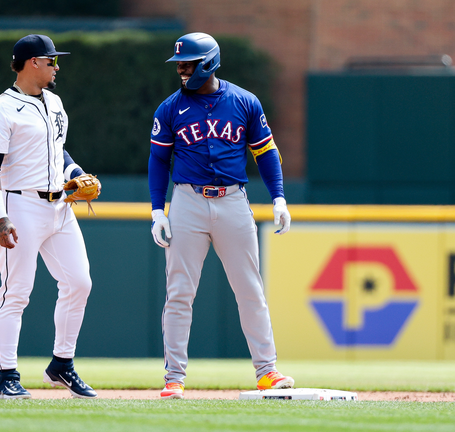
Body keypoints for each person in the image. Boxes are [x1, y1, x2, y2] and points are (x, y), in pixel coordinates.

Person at [148, 32, 294, 399]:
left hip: (233, 201)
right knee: (179, 293)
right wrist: (157, 209)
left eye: (188, 64)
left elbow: (266, 152)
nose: (181, 70)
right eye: (179, 64)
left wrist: (278, 198)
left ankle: (267, 371)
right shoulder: (169, 108)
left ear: (209, 63)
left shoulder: (244, 101)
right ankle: (174, 377)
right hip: (187, 200)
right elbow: (159, 160)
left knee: (250, 290)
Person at [0, 34, 98, 399]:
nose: (57, 66)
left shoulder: (54, 102)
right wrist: (0, 217)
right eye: (52, 60)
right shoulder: (0, 110)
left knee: (79, 283)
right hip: (21, 206)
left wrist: (77, 173)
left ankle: (62, 364)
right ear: (33, 62)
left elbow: (58, 151)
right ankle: (7, 376)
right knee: (15, 293)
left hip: (60, 206)